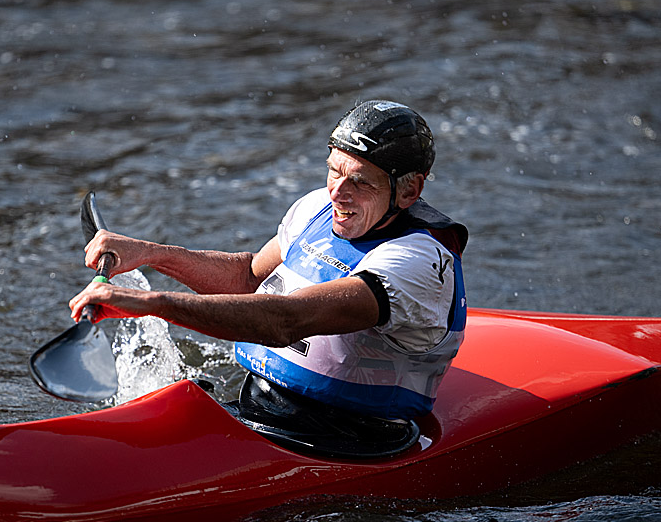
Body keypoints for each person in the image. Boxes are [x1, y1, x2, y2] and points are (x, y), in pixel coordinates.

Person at [69, 100, 467, 450]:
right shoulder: (317, 208)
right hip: (262, 407)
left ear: (409, 190)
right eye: (333, 171)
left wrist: (153, 304)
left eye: (360, 181)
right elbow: (247, 277)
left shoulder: (417, 261)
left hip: (352, 439)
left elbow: (286, 321)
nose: (337, 193)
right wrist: (150, 253)